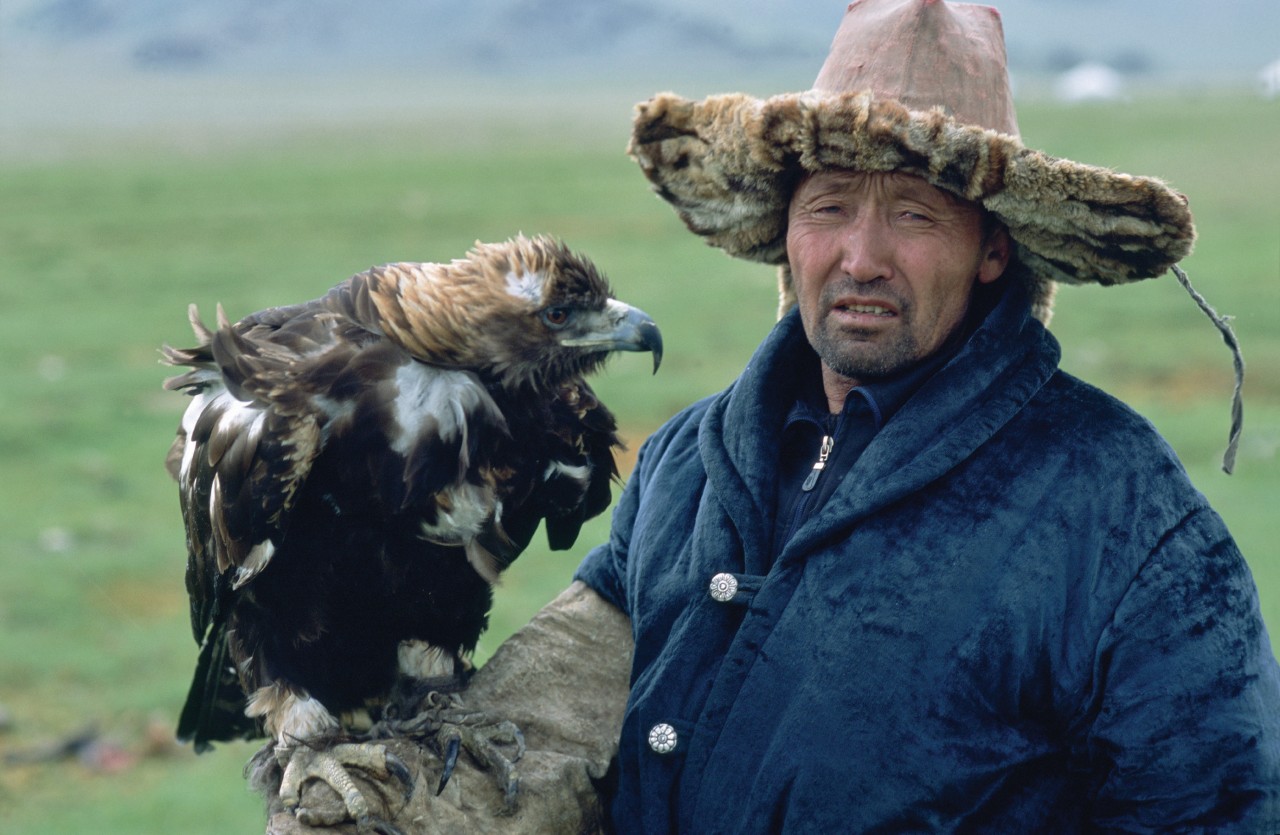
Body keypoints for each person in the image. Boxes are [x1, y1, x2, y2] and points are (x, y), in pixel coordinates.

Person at [267, 1, 1280, 832]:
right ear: (781, 233)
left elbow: (1218, 811)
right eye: (829, 206)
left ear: (991, 250)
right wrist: (392, 811)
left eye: (914, 215)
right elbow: (559, 721)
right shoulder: (685, 468)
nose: (860, 256)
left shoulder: (1119, 511)